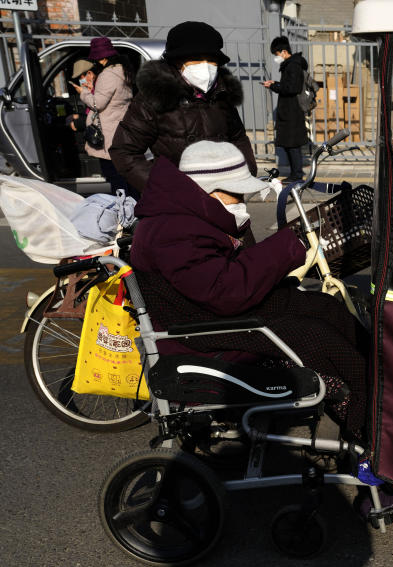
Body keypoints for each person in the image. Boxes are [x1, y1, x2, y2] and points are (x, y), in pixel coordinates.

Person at [130, 141, 369, 442]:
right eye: (237, 192)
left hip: (207, 317)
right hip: (197, 334)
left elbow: (220, 281)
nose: (242, 200)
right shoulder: (173, 231)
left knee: (325, 307)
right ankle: (365, 421)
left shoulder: (184, 217)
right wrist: (283, 249)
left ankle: (377, 390)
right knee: (315, 336)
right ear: (211, 191)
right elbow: (225, 292)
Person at [111, 21, 256, 194]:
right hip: (178, 202)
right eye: (196, 60)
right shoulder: (154, 97)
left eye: (211, 60)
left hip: (224, 196)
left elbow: (238, 138)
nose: (205, 66)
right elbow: (124, 151)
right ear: (177, 62)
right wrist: (165, 189)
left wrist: (243, 177)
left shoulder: (221, 94)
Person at [70, 38, 138, 197]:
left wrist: (84, 92)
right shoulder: (123, 70)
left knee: (116, 179)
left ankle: (125, 215)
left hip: (108, 136)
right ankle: (135, 210)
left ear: (102, 58)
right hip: (121, 130)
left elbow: (97, 103)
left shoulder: (108, 74)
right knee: (127, 178)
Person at [262, 36, 309, 183]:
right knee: (289, 144)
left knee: (292, 145)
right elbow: (288, 85)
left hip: (292, 111)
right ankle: (295, 174)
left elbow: (292, 88)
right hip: (289, 110)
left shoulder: (293, 65)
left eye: (276, 55)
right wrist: (275, 83)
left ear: (283, 52)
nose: (276, 58)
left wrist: (274, 86)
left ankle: (297, 175)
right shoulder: (291, 65)